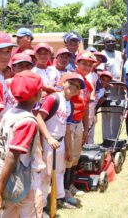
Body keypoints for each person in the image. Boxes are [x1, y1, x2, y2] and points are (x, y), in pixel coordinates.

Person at [0, 70, 42, 217]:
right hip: (23, 181)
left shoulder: (10, 113)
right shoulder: (27, 121)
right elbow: (12, 156)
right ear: (38, 94)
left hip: (3, 176)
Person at [36, 73, 83, 210]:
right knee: (46, 173)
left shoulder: (70, 105)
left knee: (60, 171)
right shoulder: (53, 98)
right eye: (71, 83)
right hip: (48, 141)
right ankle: (42, 204)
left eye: (78, 87)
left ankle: (59, 198)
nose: (74, 88)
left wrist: (68, 149)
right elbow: (39, 118)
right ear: (63, 83)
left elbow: (67, 129)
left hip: (60, 141)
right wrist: (48, 138)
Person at [64, 51, 95, 196]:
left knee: (75, 156)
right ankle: (63, 189)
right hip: (68, 123)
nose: (87, 67)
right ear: (77, 63)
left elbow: (86, 106)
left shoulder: (88, 83)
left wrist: (86, 128)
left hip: (79, 123)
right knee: (67, 157)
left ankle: (71, 185)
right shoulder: (70, 78)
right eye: (84, 63)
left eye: (90, 64)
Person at [99, 34, 126, 141]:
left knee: (117, 115)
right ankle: (106, 139)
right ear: (104, 43)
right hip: (107, 89)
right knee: (107, 114)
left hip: (119, 90)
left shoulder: (120, 54)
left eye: (113, 41)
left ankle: (115, 139)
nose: (111, 43)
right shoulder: (102, 55)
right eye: (108, 41)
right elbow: (100, 72)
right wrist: (112, 82)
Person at [87, 71, 112, 144]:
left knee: (91, 131)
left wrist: (105, 96)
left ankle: (90, 146)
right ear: (99, 79)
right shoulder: (94, 86)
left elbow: (98, 104)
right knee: (85, 130)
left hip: (93, 111)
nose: (104, 82)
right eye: (103, 79)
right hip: (87, 110)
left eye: (107, 81)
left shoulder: (104, 90)